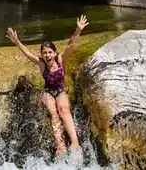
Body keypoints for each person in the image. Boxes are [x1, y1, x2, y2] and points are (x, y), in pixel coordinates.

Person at [6, 15, 89, 156]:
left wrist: (78, 30)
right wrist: (17, 42)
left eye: (50, 52)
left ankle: (75, 142)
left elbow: (72, 45)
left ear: (55, 53)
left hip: (61, 90)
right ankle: (60, 146)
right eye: (44, 53)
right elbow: (27, 53)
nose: (47, 55)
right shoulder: (41, 63)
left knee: (64, 110)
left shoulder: (61, 59)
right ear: (42, 54)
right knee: (53, 113)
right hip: (48, 92)